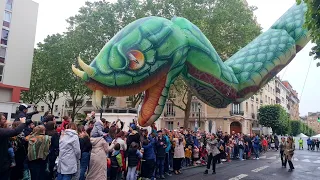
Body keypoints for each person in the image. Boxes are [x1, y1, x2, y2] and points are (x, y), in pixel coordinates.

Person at [0, 114, 26, 180]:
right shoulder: (1, 131)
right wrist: (22, 123)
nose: (5, 120)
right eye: (3, 119)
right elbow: (15, 132)